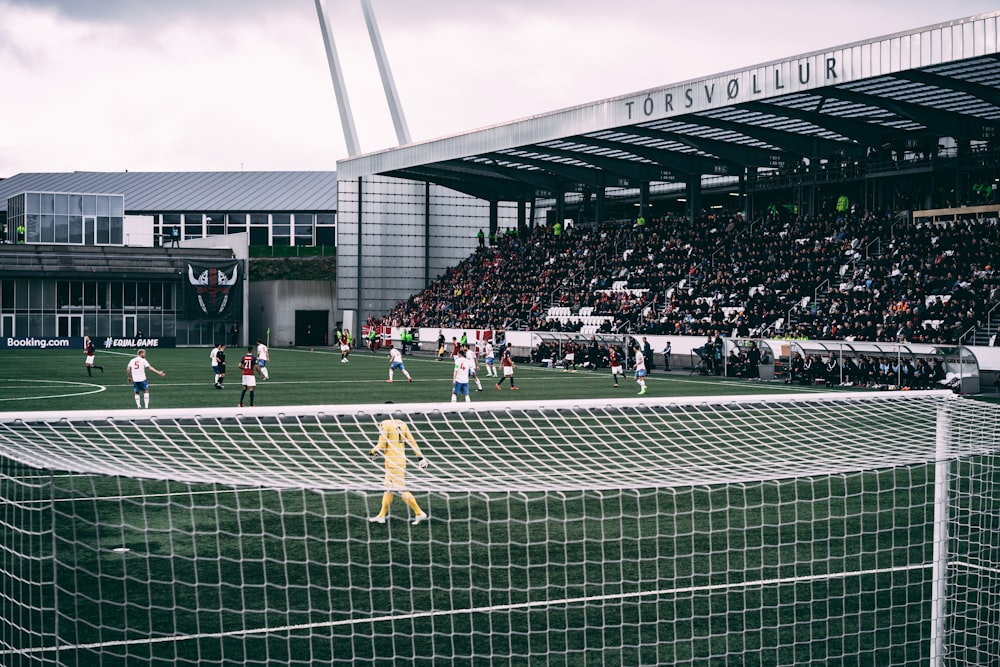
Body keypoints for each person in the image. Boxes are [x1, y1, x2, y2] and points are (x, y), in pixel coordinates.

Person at [367, 415, 428, 525]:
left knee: (401, 489)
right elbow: (412, 442)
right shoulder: (403, 424)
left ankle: (419, 513)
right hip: (401, 460)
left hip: (392, 463)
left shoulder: (385, 423)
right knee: (388, 488)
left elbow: (381, 443)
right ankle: (381, 516)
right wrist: (420, 457)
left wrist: (372, 452)